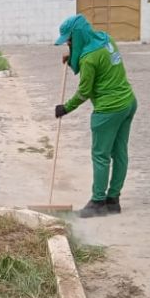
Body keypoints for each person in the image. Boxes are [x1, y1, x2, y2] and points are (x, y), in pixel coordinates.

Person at [53, 14, 137, 218]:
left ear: (78, 35)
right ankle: (113, 200)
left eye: (70, 40)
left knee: (101, 156)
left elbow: (84, 91)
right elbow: (99, 64)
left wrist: (65, 108)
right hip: (128, 103)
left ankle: (98, 202)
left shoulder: (88, 59)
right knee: (119, 153)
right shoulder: (106, 40)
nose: (69, 43)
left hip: (107, 111)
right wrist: (72, 56)